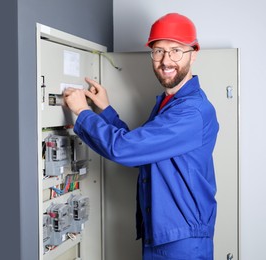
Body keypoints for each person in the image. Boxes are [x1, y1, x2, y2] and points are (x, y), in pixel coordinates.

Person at [63, 13, 219, 260]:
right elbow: (140, 150)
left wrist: (82, 112)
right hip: (162, 233)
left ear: (194, 53)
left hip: (181, 241)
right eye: (158, 51)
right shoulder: (168, 102)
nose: (166, 61)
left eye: (176, 50)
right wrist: (105, 111)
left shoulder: (191, 111)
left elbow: (124, 150)